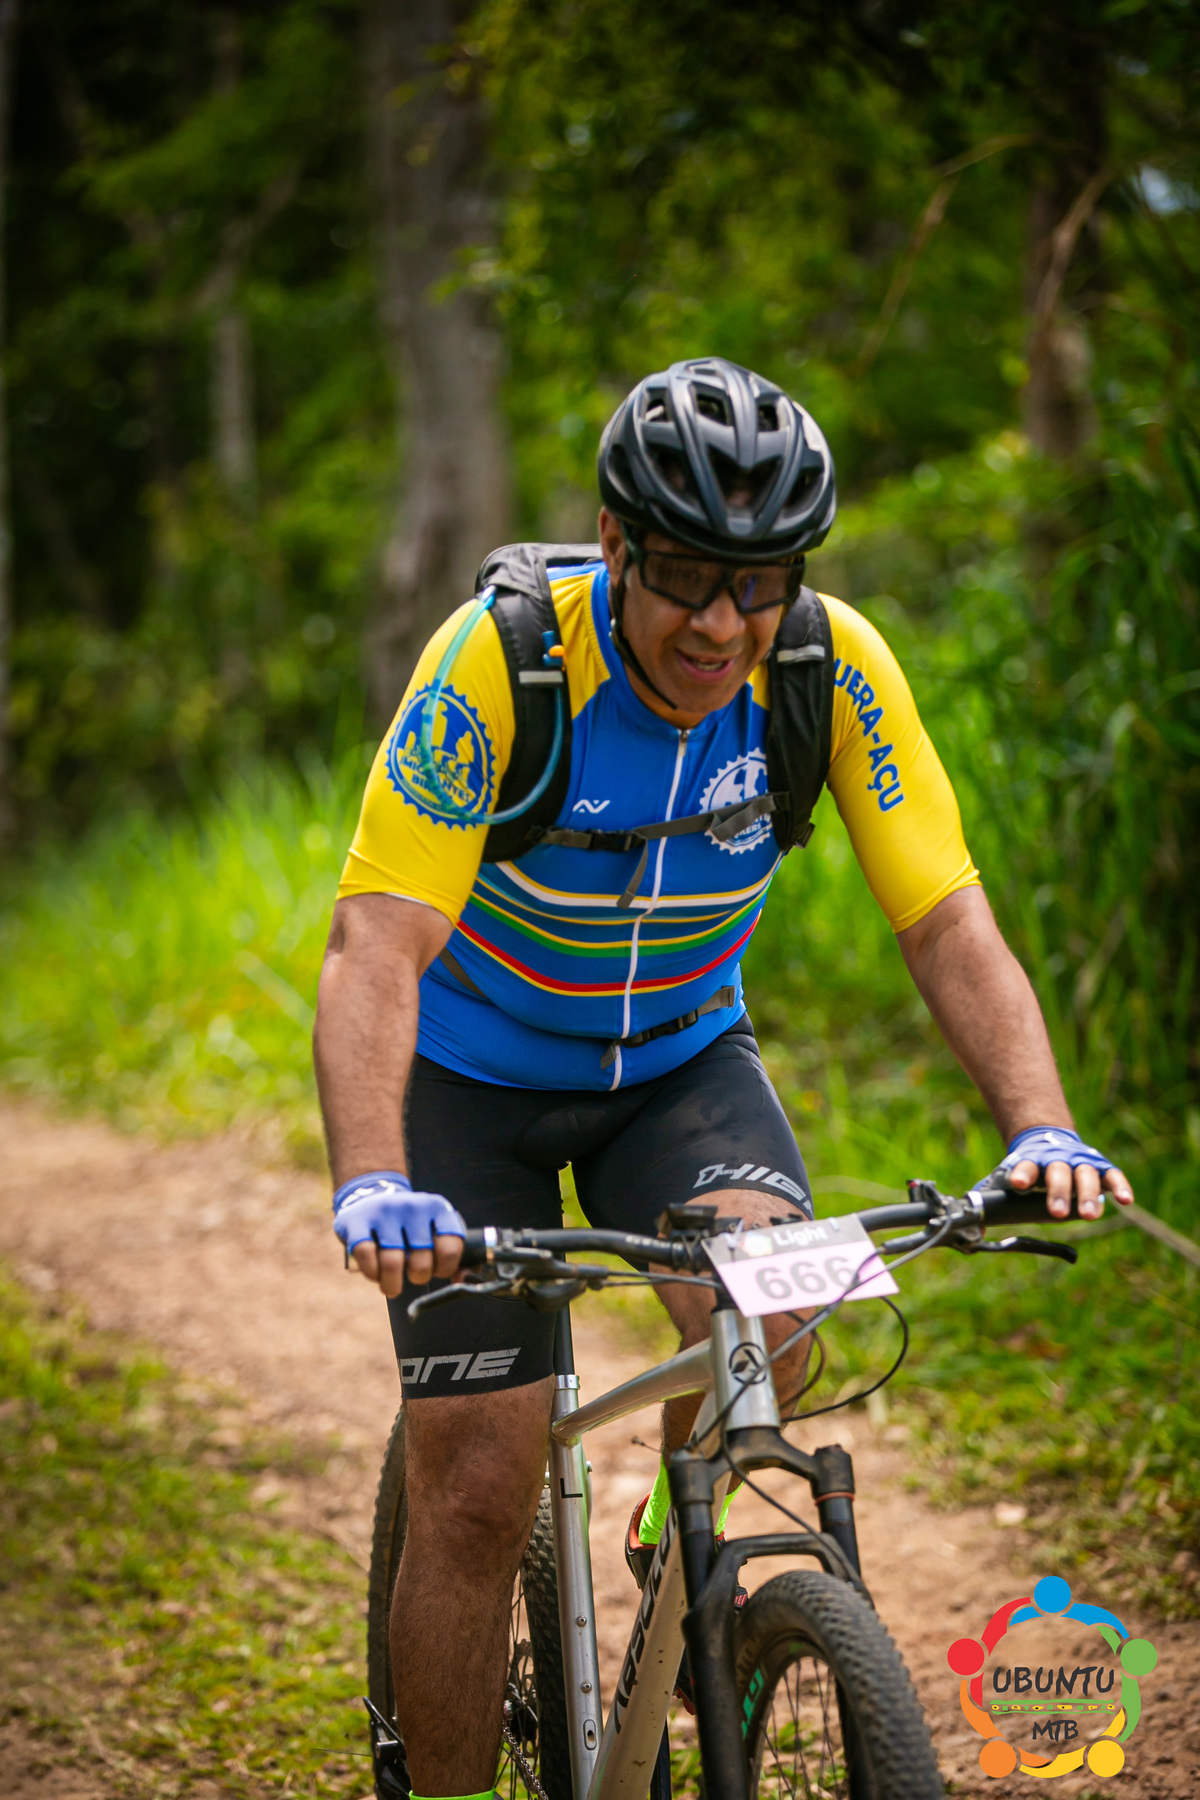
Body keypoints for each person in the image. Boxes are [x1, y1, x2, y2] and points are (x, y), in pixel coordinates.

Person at [314, 357, 1133, 1800]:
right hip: (470, 1082)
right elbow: (377, 945)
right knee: (482, 1486)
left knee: (780, 1321)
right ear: (615, 544)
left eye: (758, 583)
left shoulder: (827, 670)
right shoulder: (503, 664)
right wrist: (376, 1177)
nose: (721, 622)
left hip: (679, 1066)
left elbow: (946, 920)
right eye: (687, 576)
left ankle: (673, 1552)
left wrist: (1043, 1129)